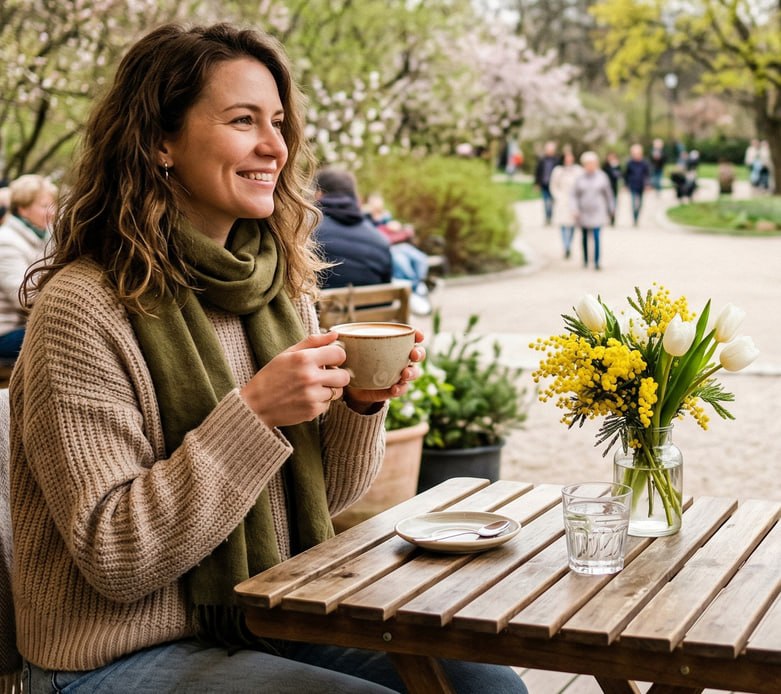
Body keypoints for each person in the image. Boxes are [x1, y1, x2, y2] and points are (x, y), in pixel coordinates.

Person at [10, 22, 523, 694]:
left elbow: (317, 498)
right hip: (109, 653)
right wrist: (253, 415)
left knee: (486, 686)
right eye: (242, 120)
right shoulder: (85, 307)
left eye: (278, 122)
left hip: (263, 613)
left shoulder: (274, 288)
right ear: (160, 142)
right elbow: (117, 556)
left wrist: (360, 405)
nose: (273, 146)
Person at [0, 174, 58, 359]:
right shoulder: (6, 241)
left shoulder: (41, 236)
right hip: (6, 332)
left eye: (53, 205)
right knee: (62, 334)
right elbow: (23, 297)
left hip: (26, 325)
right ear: (23, 209)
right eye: (44, 206)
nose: (52, 211)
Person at [313, 168, 393, 290]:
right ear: (354, 195)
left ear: (318, 194)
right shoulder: (381, 240)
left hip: (323, 308)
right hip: (373, 308)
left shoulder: (307, 234)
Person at [364, 192, 431, 315]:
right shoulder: (366, 218)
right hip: (386, 247)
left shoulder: (386, 216)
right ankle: (413, 290)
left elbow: (397, 230)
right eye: (374, 201)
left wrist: (396, 227)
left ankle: (419, 283)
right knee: (400, 260)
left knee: (419, 257)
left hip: (398, 244)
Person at [572, 151, 614, 271]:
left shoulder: (602, 176)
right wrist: (574, 209)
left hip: (598, 211)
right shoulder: (579, 178)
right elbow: (573, 195)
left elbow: (608, 194)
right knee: (584, 237)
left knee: (596, 236)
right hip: (583, 211)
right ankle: (585, 259)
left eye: (592, 163)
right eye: (588, 163)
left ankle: (596, 261)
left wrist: (611, 208)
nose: (590, 166)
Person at [548, 150, 583, 258]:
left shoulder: (578, 170)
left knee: (572, 223)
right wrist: (558, 196)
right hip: (562, 199)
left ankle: (569, 243)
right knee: (563, 223)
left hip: (574, 200)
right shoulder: (558, 171)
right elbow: (553, 185)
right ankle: (566, 245)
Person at [623, 143, 650, 226]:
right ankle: (634, 219)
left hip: (641, 185)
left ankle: (637, 217)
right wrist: (625, 185)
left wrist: (647, 185)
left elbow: (647, 174)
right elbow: (626, 175)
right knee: (634, 203)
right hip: (632, 185)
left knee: (640, 204)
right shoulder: (629, 163)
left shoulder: (645, 163)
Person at [534, 141, 560, 226]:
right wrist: (536, 183)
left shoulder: (557, 161)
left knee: (551, 203)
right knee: (546, 202)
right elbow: (537, 172)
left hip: (553, 185)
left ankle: (550, 216)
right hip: (544, 184)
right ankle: (547, 218)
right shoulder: (542, 160)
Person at [601, 151, 622, 225]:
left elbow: (619, 175)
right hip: (606, 187)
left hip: (614, 188)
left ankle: (613, 219)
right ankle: (607, 217)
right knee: (606, 204)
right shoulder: (605, 165)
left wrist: (615, 167)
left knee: (614, 204)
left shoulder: (617, 166)